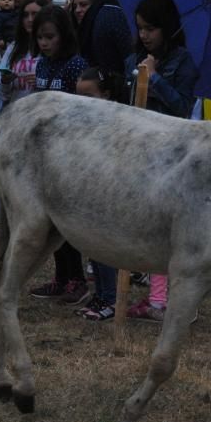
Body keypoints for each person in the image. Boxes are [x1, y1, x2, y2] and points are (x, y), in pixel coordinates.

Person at [122, 0, 199, 322]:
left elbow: (182, 106)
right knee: (141, 224)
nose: (144, 35)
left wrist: (153, 78)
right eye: (140, 28)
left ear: (167, 28)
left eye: (151, 28)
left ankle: (166, 300)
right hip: (138, 151)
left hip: (171, 155)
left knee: (169, 229)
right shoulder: (134, 59)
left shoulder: (183, 62)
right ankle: (151, 294)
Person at [26, 5, 90, 303]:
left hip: (70, 153)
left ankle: (76, 280)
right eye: (39, 37)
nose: (44, 43)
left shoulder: (76, 66)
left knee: (68, 220)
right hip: (44, 153)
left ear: (63, 36)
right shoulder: (41, 65)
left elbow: (84, 112)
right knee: (50, 220)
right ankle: (60, 277)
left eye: (50, 36)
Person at [73, 66, 125, 321]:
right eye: (78, 97)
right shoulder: (82, 122)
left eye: (89, 96)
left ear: (105, 95)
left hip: (109, 193)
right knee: (93, 245)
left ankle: (110, 299)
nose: (83, 103)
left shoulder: (115, 121)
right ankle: (101, 294)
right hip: (90, 191)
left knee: (105, 248)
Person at [0, 0, 47, 109]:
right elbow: (0, 92)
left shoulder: (55, 47)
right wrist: (5, 81)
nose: (30, 19)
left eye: (35, 14)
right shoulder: (14, 47)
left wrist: (43, 81)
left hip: (43, 113)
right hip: (16, 114)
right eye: (25, 15)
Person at [72, 0, 132, 81]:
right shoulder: (75, 34)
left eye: (83, 5)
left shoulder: (107, 22)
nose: (77, 10)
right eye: (74, 6)